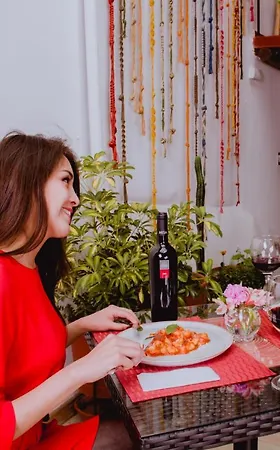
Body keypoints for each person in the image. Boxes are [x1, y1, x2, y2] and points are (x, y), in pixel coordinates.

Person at [0, 132, 144, 449]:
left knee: (143, 432)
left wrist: (83, 325)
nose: (75, 199)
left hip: (37, 437)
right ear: (26, 183)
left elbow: (24, 353)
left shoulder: (28, 268)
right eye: (65, 181)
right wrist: (80, 371)